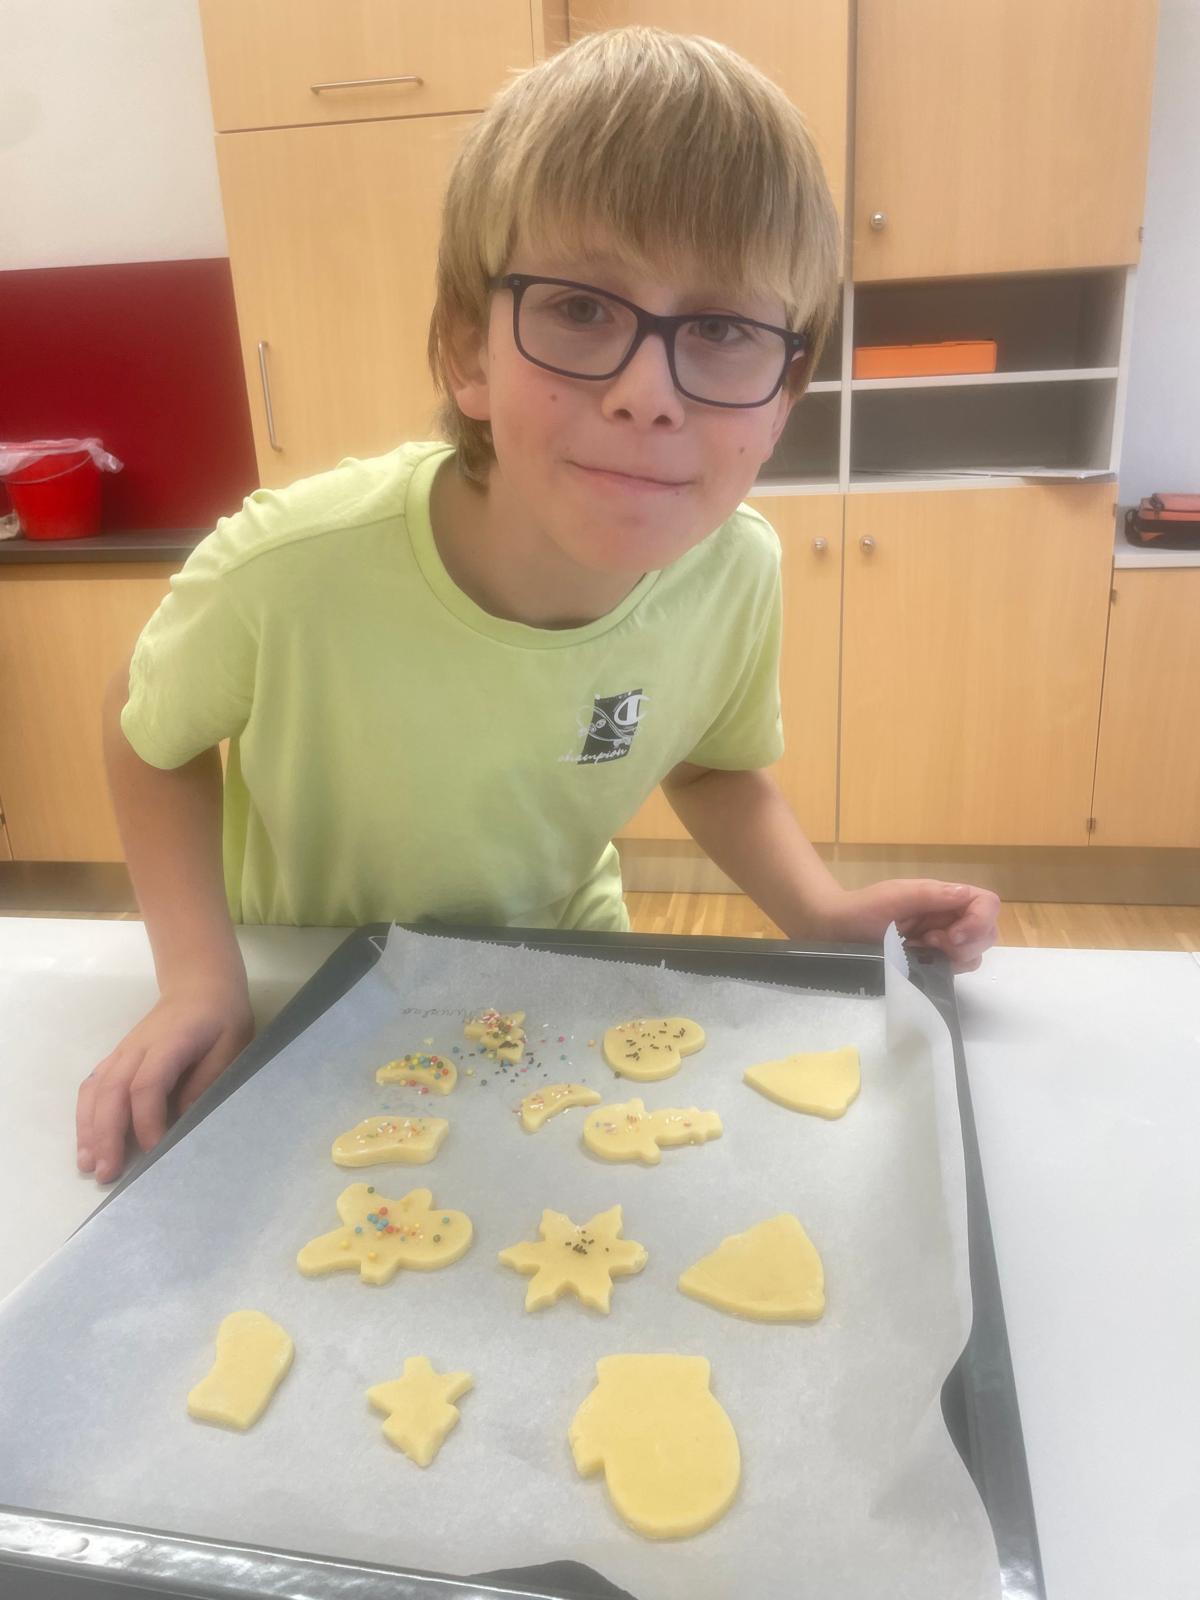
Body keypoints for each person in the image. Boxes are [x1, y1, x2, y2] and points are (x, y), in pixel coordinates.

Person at [76, 27, 999, 1186]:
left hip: (563, 976)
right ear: (468, 349)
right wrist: (200, 978)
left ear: (784, 395)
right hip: (309, 985)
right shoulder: (292, 567)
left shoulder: (735, 572)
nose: (647, 394)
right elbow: (143, 726)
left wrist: (817, 910)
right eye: (578, 308)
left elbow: (710, 766)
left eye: (721, 330)